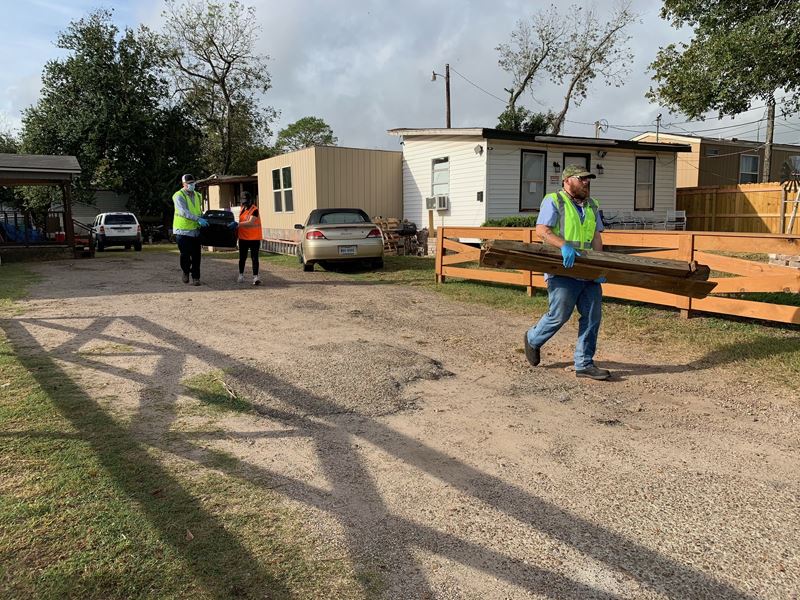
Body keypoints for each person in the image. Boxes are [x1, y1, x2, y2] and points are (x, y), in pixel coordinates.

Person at [523, 164, 611, 381]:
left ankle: (584, 363)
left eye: (588, 179)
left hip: (587, 269)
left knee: (592, 316)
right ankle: (533, 338)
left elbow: (597, 238)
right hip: (562, 268)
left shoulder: (592, 205)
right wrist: (563, 245)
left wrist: (598, 265)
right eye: (582, 179)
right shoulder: (554, 200)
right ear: (567, 180)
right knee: (559, 315)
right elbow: (542, 230)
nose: (586, 182)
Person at [172, 173, 208, 285]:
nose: (192, 185)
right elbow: (183, 212)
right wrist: (198, 219)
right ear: (184, 184)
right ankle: (186, 272)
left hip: (195, 231)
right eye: (189, 183)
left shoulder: (198, 195)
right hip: (182, 231)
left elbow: (198, 210)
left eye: (193, 182)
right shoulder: (178, 195)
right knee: (185, 255)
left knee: (197, 256)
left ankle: (196, 277)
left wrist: (203, 217)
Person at [228, 191, 263, 285]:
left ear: (250, 200)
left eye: (246, 201)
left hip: (254, 238)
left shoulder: (254, 210)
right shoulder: (242, 208)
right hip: (243, 238)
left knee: (254, 258)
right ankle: (241, 275)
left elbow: (251, 222)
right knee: (242, 258)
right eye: (243, 201)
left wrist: (237, 224)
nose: (245, 203)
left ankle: (255, 277)